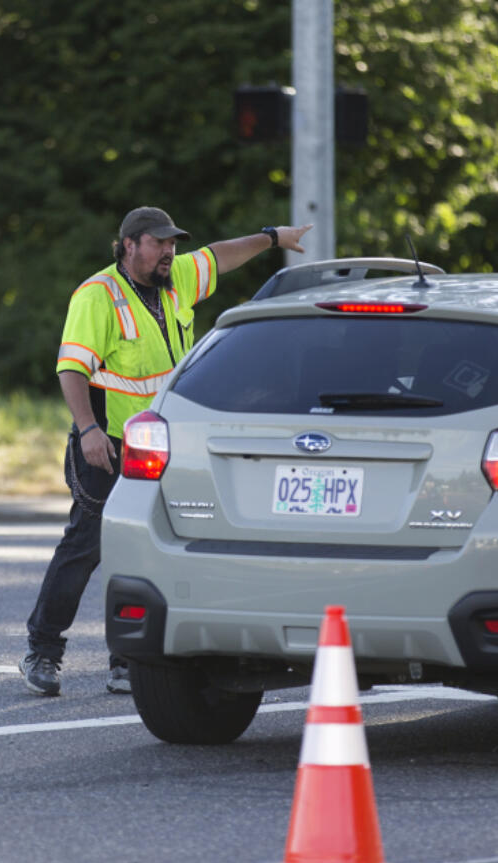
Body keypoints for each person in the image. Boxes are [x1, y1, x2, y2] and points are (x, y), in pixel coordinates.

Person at [20, 207, 312, 696]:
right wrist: (88, 429)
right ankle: (43, 650)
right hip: (110, 443)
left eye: (173, 243)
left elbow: (218, 258)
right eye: (159, 243)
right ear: (129, 245)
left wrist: (271, 237)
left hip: (166, 442)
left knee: (151, 548)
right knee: (87, 546)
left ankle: (126, 661)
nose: (169, 252)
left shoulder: (175, 279)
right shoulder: (99, 296)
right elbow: (71, 369)